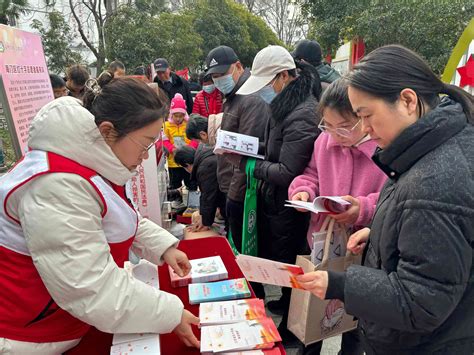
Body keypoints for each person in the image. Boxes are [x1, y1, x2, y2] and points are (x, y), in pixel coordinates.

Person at [0, 76, 200, 353]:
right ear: (107, 131)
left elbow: (115, 214)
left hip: (66, 322)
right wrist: (171, 312)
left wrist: (162, 246)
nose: (145, 156)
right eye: (144, 144)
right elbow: (89, 288)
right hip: (31, 336)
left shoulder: (86, 158)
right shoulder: (56, 185)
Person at [296, 45, 474, 354]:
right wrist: (379, 232)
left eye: (366, 115)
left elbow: (420, 300)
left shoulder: (435, 179)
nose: (364, 128)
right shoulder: (428, 150)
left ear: (407, 101)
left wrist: (339, 284)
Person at [288, 78, 387, 354]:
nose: (334, 134)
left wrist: (364, 208)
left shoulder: (383, 147)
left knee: (354, 323)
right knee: (314, 312)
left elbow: (396, 196)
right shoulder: (324, 141)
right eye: (327, 126)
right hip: (325, 243)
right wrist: (304, 191)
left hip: (363, 249)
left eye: (343, 127)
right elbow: (311, 174)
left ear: (363, 118)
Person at [234, 45, 322, 340]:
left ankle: (291, 325)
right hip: (278, 201)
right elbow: (274, 150)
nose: (263, 92)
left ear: (285, 76)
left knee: (290, 263)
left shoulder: (303, 114)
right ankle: (285, 304)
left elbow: (287, 170)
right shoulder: (284, 106)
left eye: (268, 83)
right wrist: (244, 148)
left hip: (291, 204)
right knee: (282, 261)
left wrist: (251, 165)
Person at [205, 45, 270, 252]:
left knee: (247, 253)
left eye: (221, 74)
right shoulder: (235, 96)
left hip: (243, 192)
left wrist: (234, 196)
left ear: (238, 67)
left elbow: (247, 151)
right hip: (233, 187)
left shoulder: (250, 98)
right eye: (214, 76)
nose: (218, 80)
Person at [174, 145, 226, 232]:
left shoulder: (205, 167)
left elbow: (208, 196)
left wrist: (205, 222)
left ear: (187, 165)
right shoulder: (206, 155)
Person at [163, 93, 198, 200]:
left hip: (188, 161)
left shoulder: (188, 124)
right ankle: (176, 203)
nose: (178, 118)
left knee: (191, 182)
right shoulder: (166, 125)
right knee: (175, 183)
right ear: (171, 114)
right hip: (174, 162)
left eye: (181, 115)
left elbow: (194, 139)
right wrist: (171, 149)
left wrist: (190, 149)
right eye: (176, 115)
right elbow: (164, 140)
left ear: (185, 114)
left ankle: (193, 202)